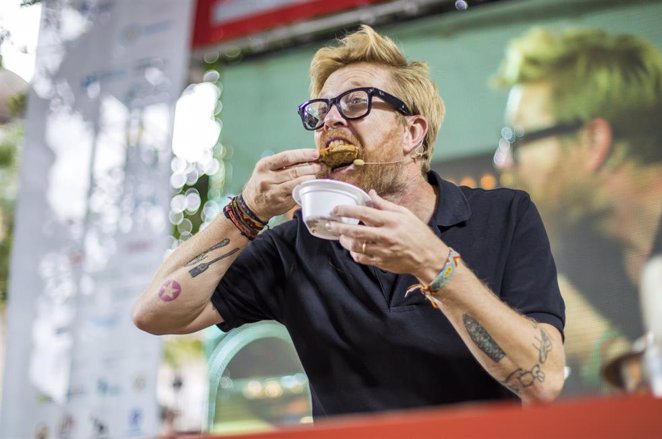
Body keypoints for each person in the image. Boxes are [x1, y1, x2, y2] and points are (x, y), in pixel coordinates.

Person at [133, 25, 565, 417]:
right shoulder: (297, 246)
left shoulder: (505, 215)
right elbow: (154, 313)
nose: (331, 121)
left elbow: (544, 380)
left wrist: (433, 262)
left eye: (356, 103)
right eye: (319, 113)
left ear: (412, 133)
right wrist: (247, 211)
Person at [492, 27, 662, 390]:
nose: (503, 162)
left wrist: (600, 346)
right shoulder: (566, 259)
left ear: (594, 142)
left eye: (517, 139)